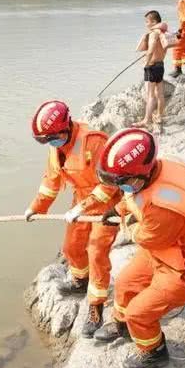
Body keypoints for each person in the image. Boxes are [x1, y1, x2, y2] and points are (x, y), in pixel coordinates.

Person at [93, 128, 185, 368]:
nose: (119, 188)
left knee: (138, 313)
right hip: (168, 249)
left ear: (137, 176)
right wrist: (120, 209)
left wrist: (127, 223)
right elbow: (138, 198)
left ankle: (153, 352)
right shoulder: (162, 168)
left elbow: (145, 237)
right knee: (124, 284)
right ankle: (122, 325)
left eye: (121, 182)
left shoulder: (165, 209)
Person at [25, 100, 121, 337]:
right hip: (81, 200)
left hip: (107, 205)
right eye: (45, 141)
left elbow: (109, 185)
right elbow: (51, 181)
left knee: (97, 251)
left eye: (50, 139)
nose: (49, 144)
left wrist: (84, 207)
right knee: (71, 246)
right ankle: (80, 280)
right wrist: (36, 208)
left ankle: (96, 306)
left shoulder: (94, 142)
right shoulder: (54, 146)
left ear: (64, 128)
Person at [133, 10, 175, 128]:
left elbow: (151, 49)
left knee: (150, 95)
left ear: (154, 22)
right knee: (160, 94)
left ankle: (146, 120)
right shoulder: (164, 33)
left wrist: (146, 62)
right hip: (160, 65)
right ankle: (159, 116)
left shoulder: (154, 34)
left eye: (147, 22)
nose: (146, 24)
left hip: (151, 66)